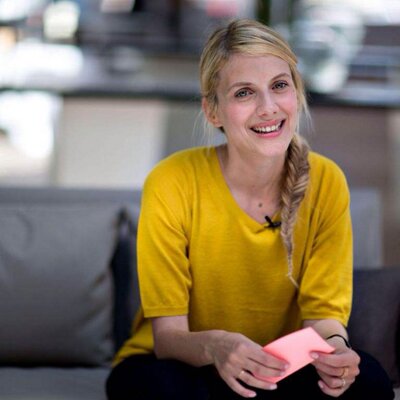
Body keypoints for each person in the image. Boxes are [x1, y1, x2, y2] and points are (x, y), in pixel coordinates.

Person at [106, 18, 394, 400]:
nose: (268, 108)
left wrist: (336, 353)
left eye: (279, 86)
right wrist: (218, 347)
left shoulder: (327, 181)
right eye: (244, 93)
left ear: (297, 93)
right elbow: (168, 337)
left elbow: (324, 321)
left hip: (282, 365)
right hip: (186, 363)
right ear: (213, 111)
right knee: (160, 389)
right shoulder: (171, 182)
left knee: (369, 381)